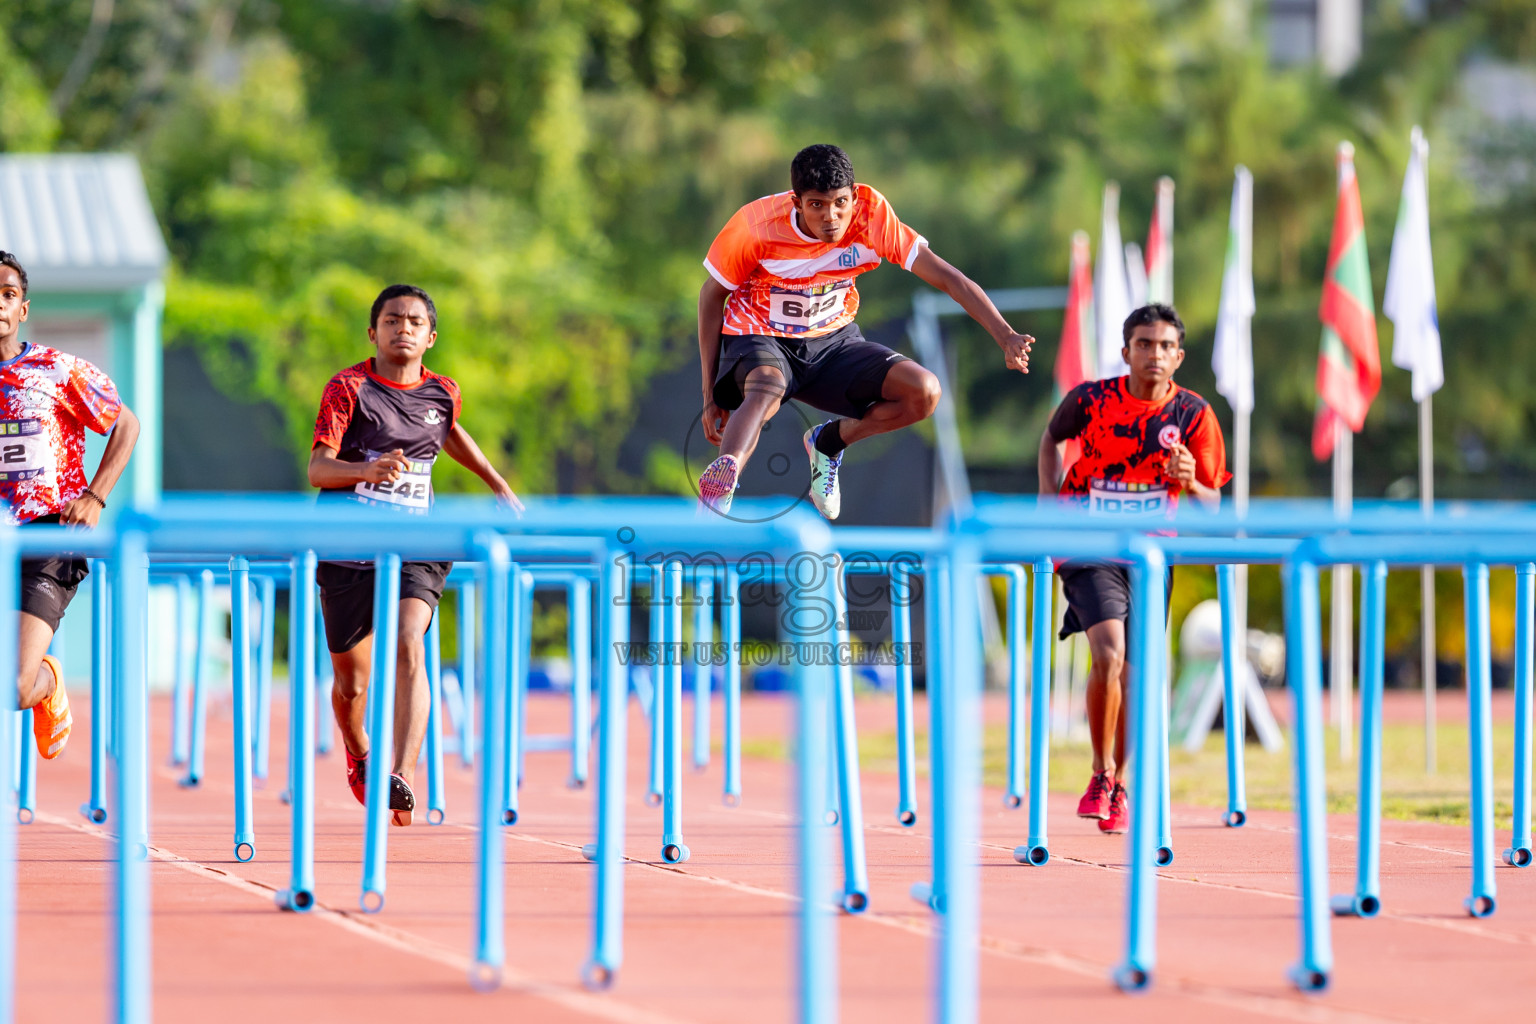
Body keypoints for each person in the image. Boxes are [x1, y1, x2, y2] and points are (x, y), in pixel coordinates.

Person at [696, 143, 1035, 518]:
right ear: (796, 203)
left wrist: (1005, 334)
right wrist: (710, 393)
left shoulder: (872, 216)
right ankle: (717, 494)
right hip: (760, 334)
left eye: (841, 202)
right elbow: (711, 298)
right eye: (817, 205)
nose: (831, 217)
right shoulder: (754, 225)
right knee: (767, 386)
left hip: (832, 340)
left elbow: (947, 277)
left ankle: (827, 444)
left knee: (923, 392)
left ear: (854, 196)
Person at [310, 283, 520, 825]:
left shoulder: (444, 392)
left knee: (409, 641)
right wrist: (365, 472)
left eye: (414, 321)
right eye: (392, 320)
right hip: (348, 546)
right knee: (352, 686)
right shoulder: (348, 388)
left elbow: (450, 431)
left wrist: (496, 481)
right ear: (373, 332)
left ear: (430, 337)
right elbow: (318, 469)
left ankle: (400, 774)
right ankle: (360, 755)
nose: (403, 328)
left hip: (416, 542)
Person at [1038, 303, 1229, 834]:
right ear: (1126, 352)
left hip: (1150, 556)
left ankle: (1119, 783)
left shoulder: (1193, 416)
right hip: (1088, 544)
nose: (1154, 354)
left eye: (1165, 346)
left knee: (1139, 675)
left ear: (1179, 357)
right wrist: (1047, 505)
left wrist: (1191, 482)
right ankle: (1099, 772)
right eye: (1144, 344)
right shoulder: (1092, 399)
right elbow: (1052, 439)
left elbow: (1214, 505)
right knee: (1110, 652)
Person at [0, 251, 140, 760]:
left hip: (47, 538)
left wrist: (96, 495)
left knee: (13, 687)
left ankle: (48, 677)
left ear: (23, 308)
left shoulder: (55, 371)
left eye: (7, 294)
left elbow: (127, 424)